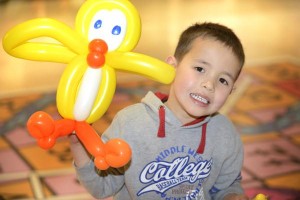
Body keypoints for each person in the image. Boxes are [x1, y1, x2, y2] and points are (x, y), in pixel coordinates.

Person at [69, 22, 249, 200]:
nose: (209, 84)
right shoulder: (129, 123)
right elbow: (101, 187)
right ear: (172, 66)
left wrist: (232, 196)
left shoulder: (225, 134)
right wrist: (78, 146)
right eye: (200, 69)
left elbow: (226, 186)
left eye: (223, 80)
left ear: (232, 90)